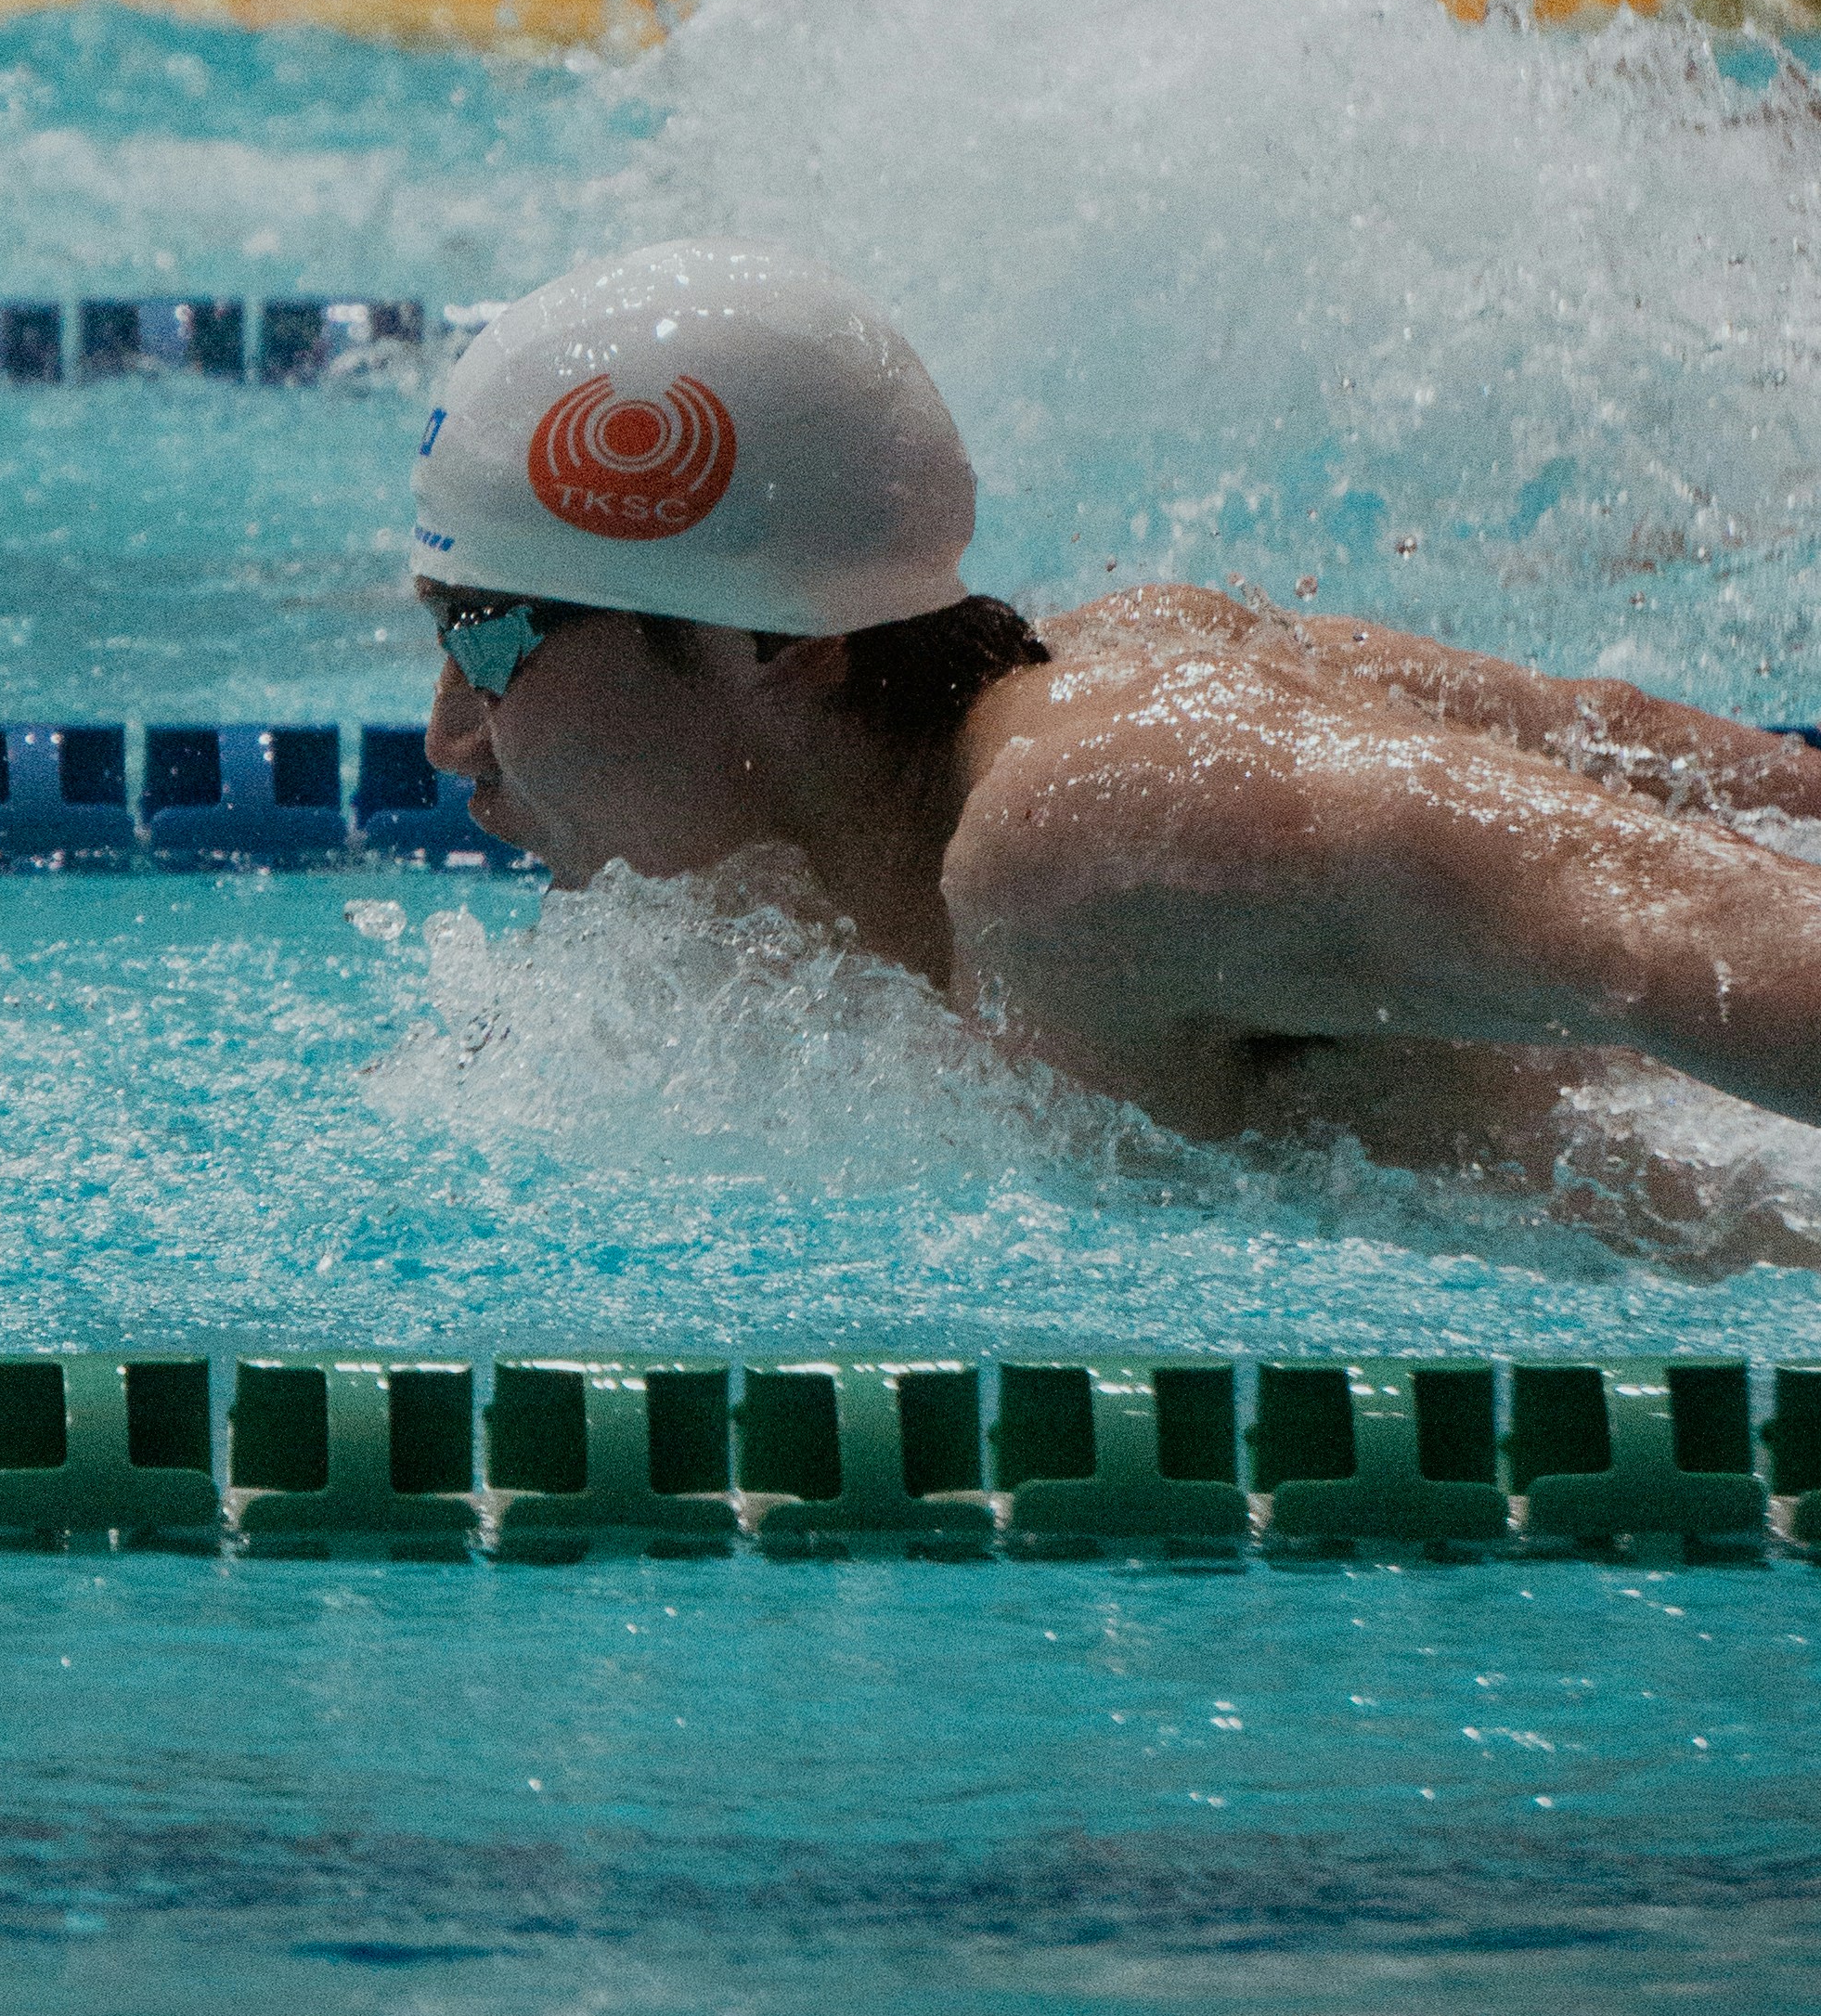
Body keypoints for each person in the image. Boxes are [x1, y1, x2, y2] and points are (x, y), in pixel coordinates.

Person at [412, 237, 1821, 1260]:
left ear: (772, 641)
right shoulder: (1106, 681)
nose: (450, 737)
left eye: (490, 641)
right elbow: (1709, 772)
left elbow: (1706, 927)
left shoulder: (1099, 826)